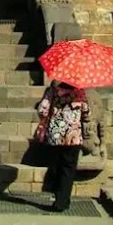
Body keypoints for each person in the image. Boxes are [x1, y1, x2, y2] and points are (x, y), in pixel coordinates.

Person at [34, 81, 90, 212]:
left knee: (57, 165)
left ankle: (57, 196)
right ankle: (62, 201)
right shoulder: (79, 92)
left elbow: (42, 110)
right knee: (68, 169)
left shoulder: (53, 91)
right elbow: (87, 112)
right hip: (73, 136)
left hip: (55, 135)